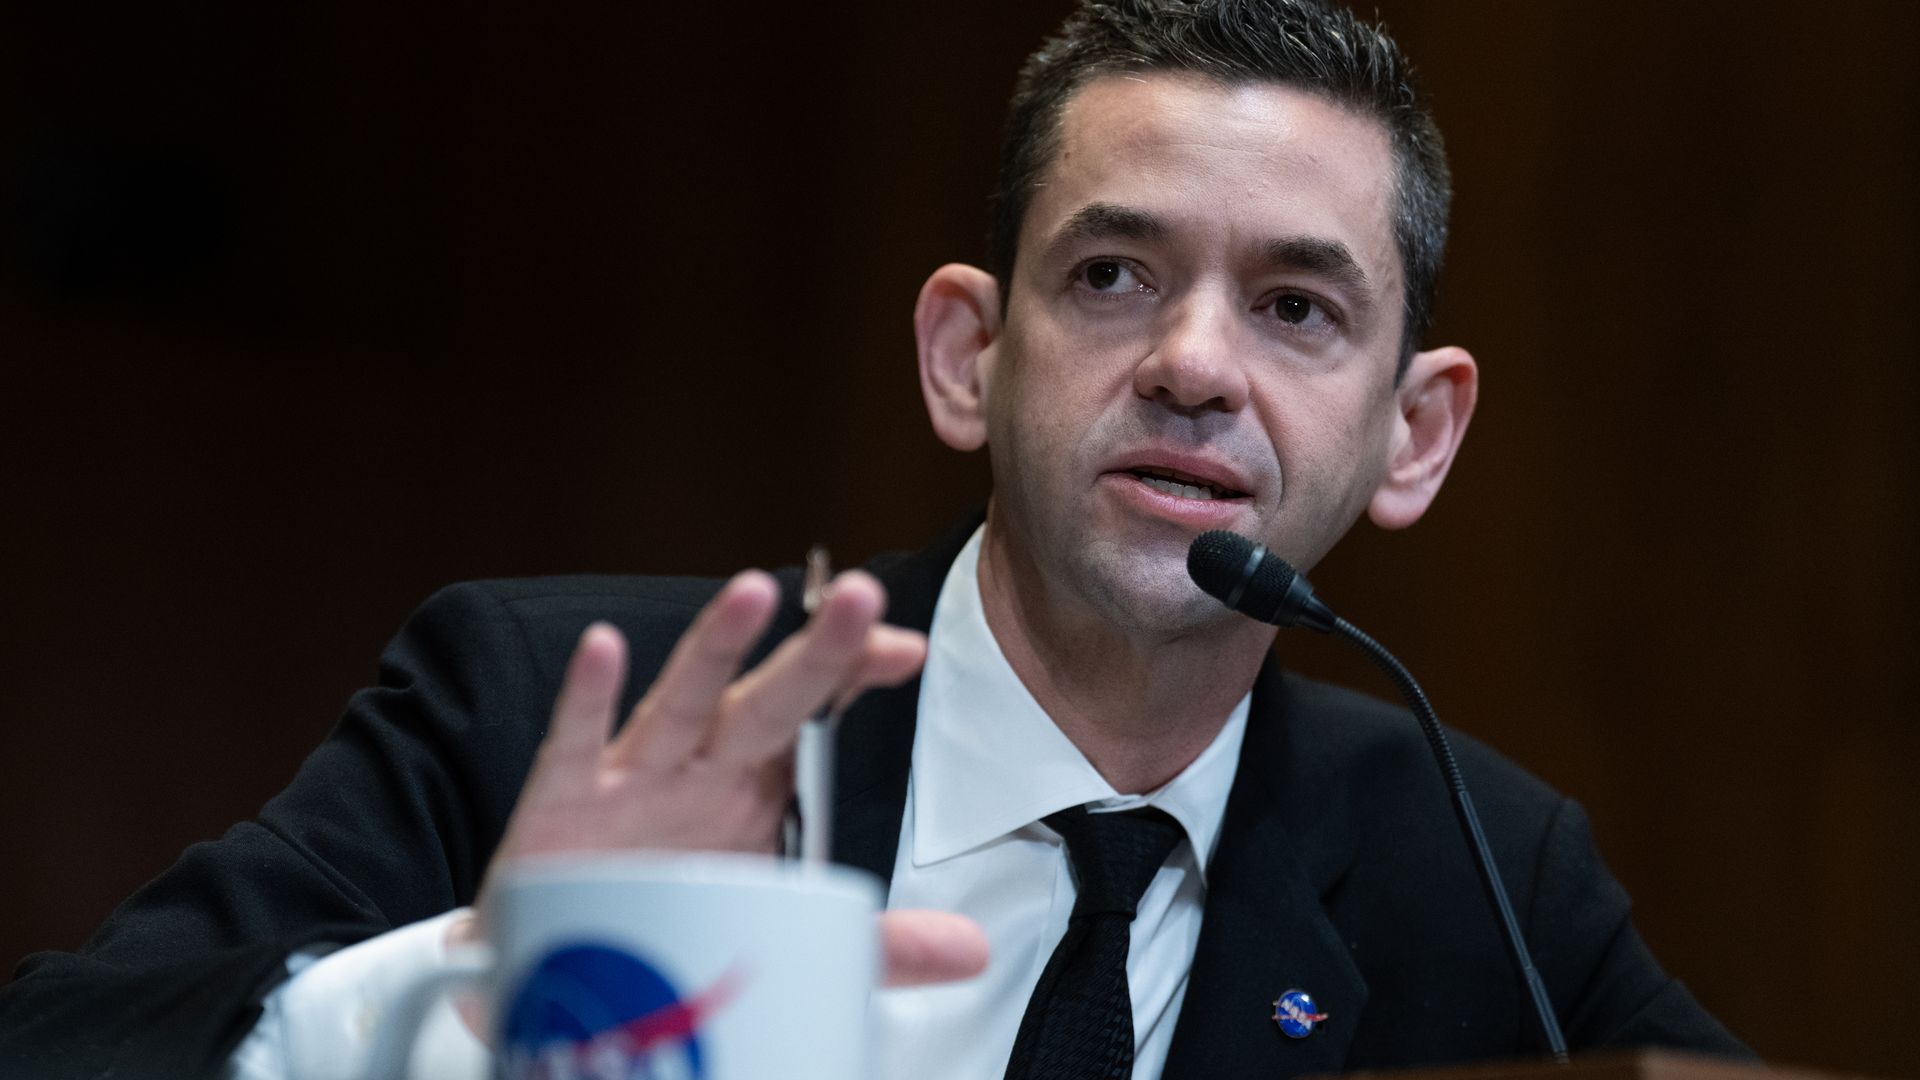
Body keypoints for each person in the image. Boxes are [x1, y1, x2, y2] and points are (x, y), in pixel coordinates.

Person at [0, 0, 1751, 1077]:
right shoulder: (558, 705)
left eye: (1297, 307)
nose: (1196, 366)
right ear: (968, 357)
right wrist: (478, 993)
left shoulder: (1479, 870)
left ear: (1413, 436)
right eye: (1114, 276)